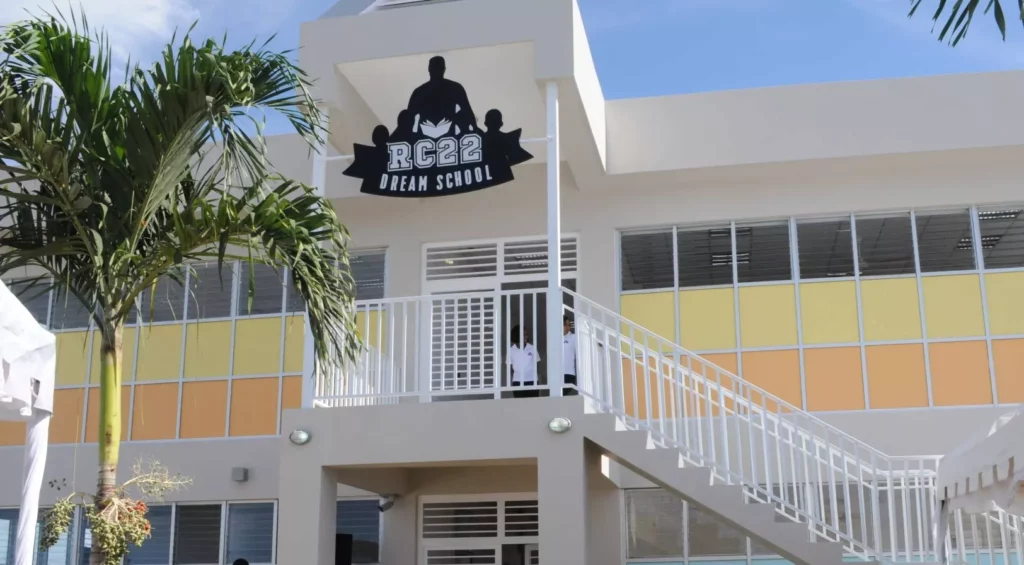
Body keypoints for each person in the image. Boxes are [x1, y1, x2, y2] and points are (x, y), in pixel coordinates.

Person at [407, 56, 476, 137]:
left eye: (438, 68)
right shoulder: (419, 92)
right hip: (426, 136)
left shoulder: (454, 88)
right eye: (435, 68)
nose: (436, 71)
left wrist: (474, 130)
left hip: (447, 136)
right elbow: (408, 118)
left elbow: (467, 112)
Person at [508, 325, 540, 398]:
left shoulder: (532, 348)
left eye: (526, 335)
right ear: (517, 336)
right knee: (520, 404)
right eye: (524, 335)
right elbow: (510, 368)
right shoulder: (511, 350)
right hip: (517, 382)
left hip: (532, 381)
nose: (526, 337)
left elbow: (538, 365)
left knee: (534, 404)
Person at [562, 315, 578, 396]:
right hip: (556, 374)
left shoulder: (573, 337)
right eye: (565, 325)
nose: (568, 327)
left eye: (569, 325)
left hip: (569, 373)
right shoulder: (554, 338)